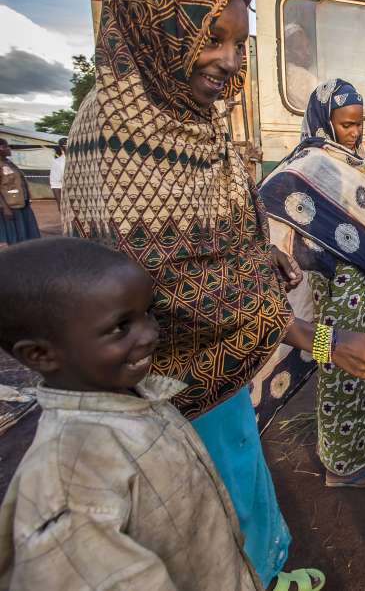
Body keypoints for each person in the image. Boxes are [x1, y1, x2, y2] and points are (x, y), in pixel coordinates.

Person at [61, 0, 365, 587]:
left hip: (217, 390)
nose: (230, 62)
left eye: (239, 43)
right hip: (162, 399)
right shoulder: (119, 131)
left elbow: (224, 244)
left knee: (245, 519)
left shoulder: (192, 120)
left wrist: (262, 257)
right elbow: (172, 286)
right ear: (158, 26)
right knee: (199, 540)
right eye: (212, 38)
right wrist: (321, 339)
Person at [0, 237, 264, 591]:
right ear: (39, 355)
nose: (151, 333)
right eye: (121, 327)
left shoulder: (139, 395)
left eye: (148, 313)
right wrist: (328, 343)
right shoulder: (71, 487)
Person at [258, 78, 365, 488]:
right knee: (339, 370)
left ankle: (343, 456)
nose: (355, 132)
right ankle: (342, 468)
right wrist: (298, 254)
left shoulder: (350, 160)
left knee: (350, 372)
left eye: (358, 123)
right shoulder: (312, 160)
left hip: (353, 293)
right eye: (346, 124)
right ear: (324, 121)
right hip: (332, 293)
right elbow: (267, 196)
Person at [0, 138, 41, 246]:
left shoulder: (8, 163)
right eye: (6, 146)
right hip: (11, 206)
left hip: (22, 204)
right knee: (15, 237)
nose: (9, 149)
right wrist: (5, 208)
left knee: (28, 235)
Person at [284, 22, 318, 110]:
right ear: (287, 52)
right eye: (299, 48)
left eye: (307, 46)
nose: (307, 52)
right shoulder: (300, 76)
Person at [49, 137, 67, 208]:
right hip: (68, 198)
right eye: (65, 145)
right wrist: (60, 204)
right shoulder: (58, 162)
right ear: (61, 148)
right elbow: (55, 184)